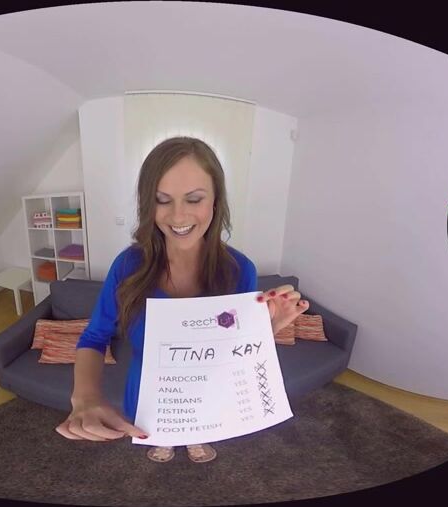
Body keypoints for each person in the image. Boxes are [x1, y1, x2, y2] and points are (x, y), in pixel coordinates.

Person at [54, 136, 309, 463]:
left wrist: (266, 329)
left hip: (209, 394)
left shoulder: (240, 270)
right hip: (148, 397)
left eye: (194, 199)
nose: (178, 216)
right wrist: (85, 397)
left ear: (215, 201)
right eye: (162, 200)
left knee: (196, 434)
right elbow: (94, 336)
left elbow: (236, 350)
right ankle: (165, 441)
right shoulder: (128, 266)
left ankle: (193, 441)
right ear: (148, 204)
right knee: (156, 436)